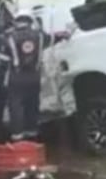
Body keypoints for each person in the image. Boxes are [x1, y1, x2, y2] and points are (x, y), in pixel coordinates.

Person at [5, 11, 69, 142]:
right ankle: (32, 136)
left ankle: (17, 139)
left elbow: (4, 55)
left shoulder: (9, 36)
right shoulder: (39, 36)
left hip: (16, 77)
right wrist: (66, 34)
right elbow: (54, 38)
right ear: (30, 21)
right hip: (34, 77)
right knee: (32, 106)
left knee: (16, 107)